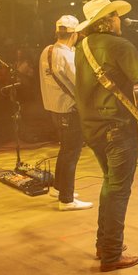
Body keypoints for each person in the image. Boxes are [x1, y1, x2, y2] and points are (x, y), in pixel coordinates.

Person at [75, 0, 138, 272]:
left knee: (109, 185)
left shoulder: (83, 46)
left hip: (92, 128)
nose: (120, 20)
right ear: (108, 20)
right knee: (118, 191)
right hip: (117, 129)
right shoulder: (119, 45)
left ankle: (104, 244)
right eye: (116, 15)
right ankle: (112, 255)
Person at [38, 14, 92, 211]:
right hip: (70, 110)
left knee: (65, 149)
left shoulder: (47, 51)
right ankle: (67, 199)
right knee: (71, 153)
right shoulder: (67, 56)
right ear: (74, 34)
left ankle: (58, 188)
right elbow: (81, 84)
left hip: (54, 108)